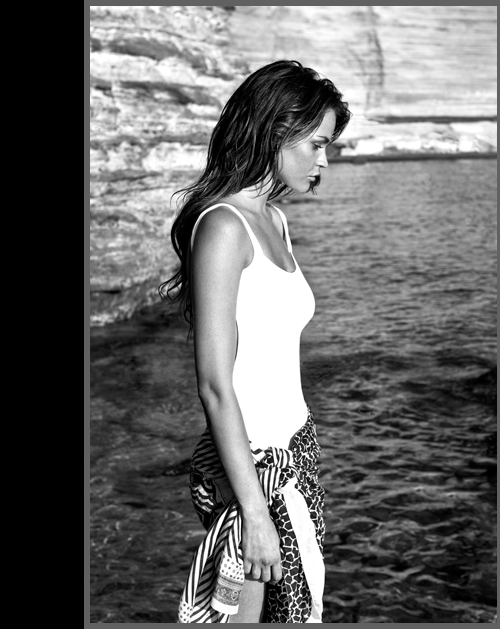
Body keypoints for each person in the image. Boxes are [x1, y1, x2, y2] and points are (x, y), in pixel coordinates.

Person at [158, 60, 351, 623]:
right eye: (316, 145)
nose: (323, 162)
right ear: (276, 132)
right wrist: (254, 512)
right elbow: (215, 385)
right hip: (254, 467)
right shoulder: (223, 227)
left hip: (297, 451)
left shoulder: (275, 219)